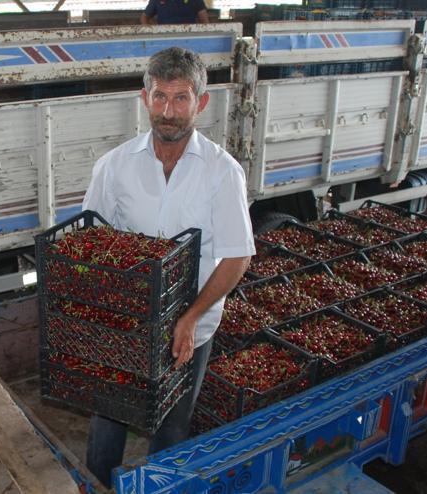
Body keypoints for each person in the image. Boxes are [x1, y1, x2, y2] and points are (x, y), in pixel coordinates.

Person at [81, 46, 255, 487]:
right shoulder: (114, 167)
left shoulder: (222, 172)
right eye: (160, 97)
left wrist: (190, 318)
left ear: (201, 102)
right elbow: (91, 243)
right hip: (128, 321)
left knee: (173, 424)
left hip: (190, 328)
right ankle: (97, 484)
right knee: (109, 416)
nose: (169, 111)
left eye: (181, 99)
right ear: (144, 99)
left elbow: (237, 255)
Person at [141, 0, 210, 25]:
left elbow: (204, 20)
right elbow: (144, 17)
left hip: (189, 37)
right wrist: (152, 32)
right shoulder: (156, 1)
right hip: (164, 38)